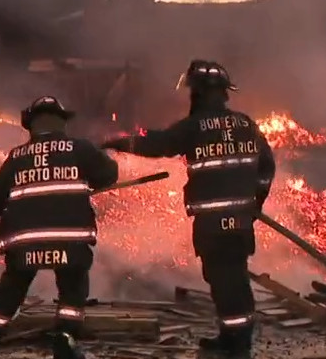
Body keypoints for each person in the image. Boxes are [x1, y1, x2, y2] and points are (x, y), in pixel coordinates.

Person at [100, 60, 276, 359]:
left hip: (212, 222)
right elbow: (267, 168)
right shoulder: (247, 124)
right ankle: (233, 338)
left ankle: (238, 346)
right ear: (224, 93)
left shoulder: (195, 127)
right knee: (234, 277)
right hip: (241, 221)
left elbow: (160, 144)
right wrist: (255, 202)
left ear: (197, 94)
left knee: (223, 278)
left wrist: (119, 142)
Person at [0, 96, 119, 359]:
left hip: (25, 242)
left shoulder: (16, 157)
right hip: (68, 240)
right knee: (73, 285)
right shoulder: (80, 148)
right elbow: (108, 174)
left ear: (31, 126)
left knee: (13, 285)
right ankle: (66, 335)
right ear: (61, 123)